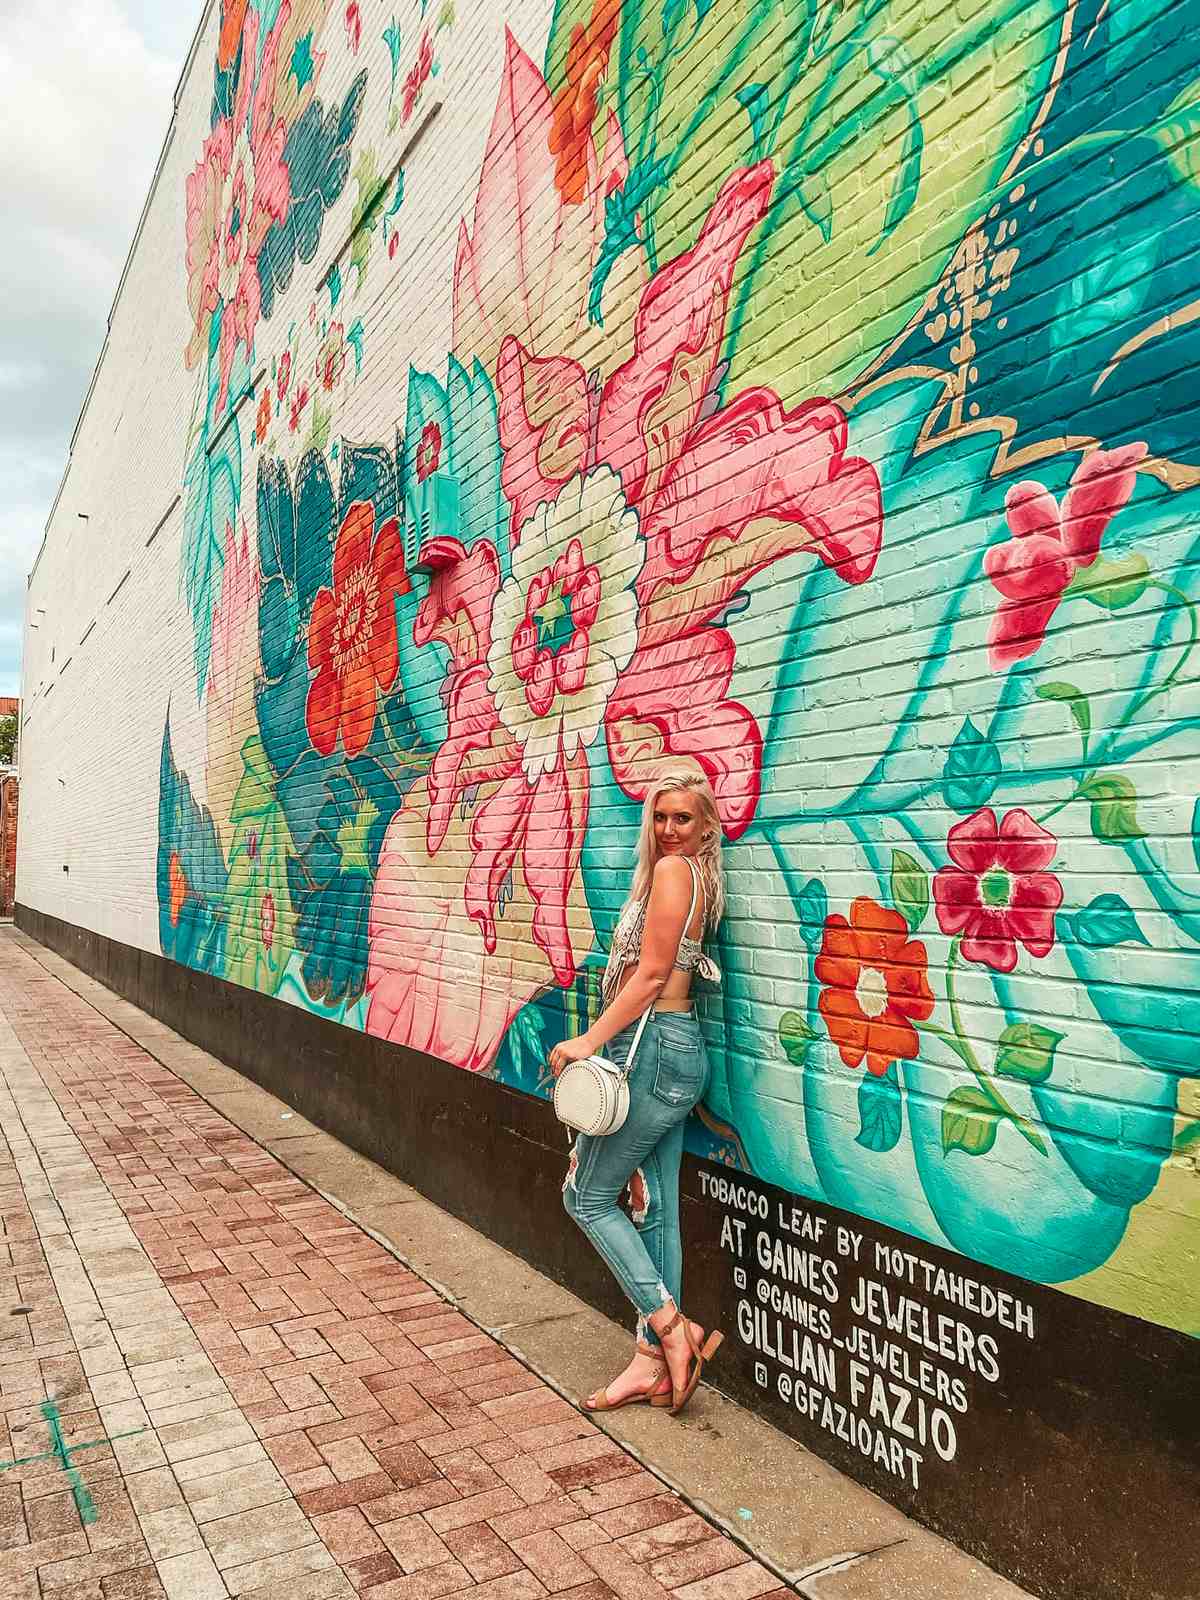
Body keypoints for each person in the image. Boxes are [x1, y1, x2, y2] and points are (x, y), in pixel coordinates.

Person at [549, 769, 725, 1415]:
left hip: (650, 1051)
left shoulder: (678, 873)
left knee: (586, 1195)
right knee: (655, 1210)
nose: (670, 829)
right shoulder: (686, 874)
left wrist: (589, 1041)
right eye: (661, 817)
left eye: (683, 818)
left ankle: (676, 1332)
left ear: (706, 826)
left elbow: (652, 974)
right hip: (670, 1051)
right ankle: (650, 1363)